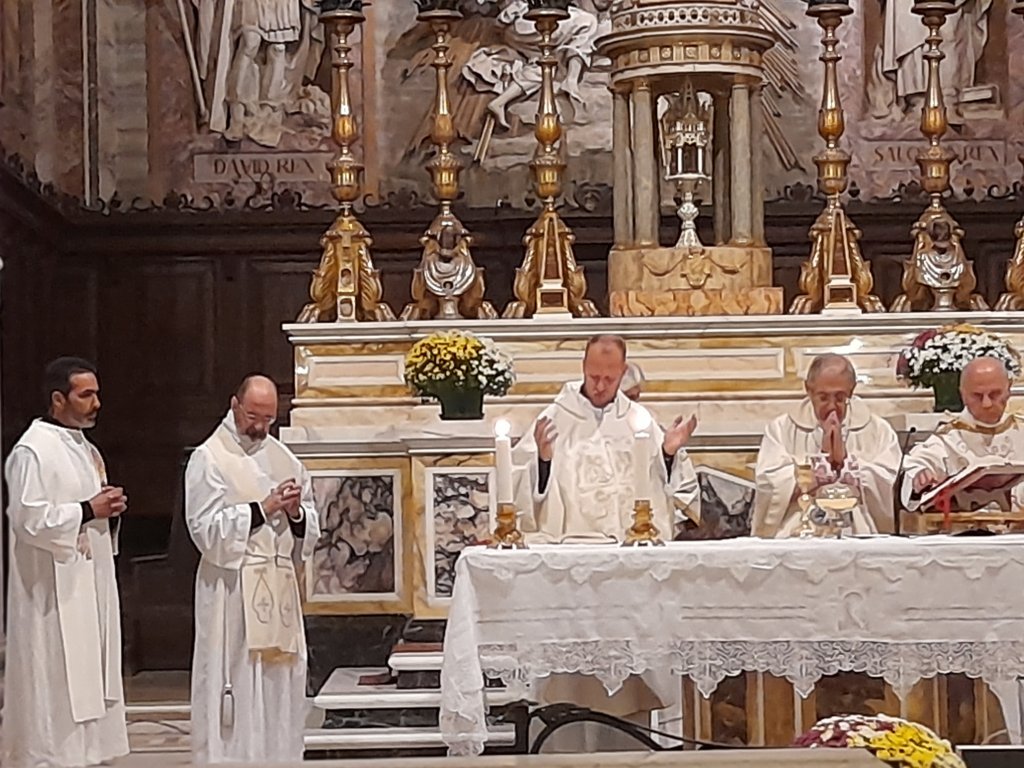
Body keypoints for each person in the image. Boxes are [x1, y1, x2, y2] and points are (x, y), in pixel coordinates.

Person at [510, 335, 699, 751]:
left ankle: (628, 755)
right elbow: (523, 489)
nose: (599, 385)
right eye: (593, 376)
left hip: (624, 571)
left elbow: (669, 492)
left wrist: (668, 454)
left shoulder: (638, 419)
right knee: (570, 680)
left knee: (625, 679)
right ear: (583, 367)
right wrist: (542, 459)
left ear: (622, 373)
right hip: (571, 569)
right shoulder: (555, 416)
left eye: (609, 378)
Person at [186, 374, 320, 763]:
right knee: (238, 678)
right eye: (253, 417)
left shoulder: (284, 458)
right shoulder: (209, 458)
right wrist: (262, 509)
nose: (261, 427)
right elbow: (205, 530)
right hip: (233, 591)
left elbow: (310, 522)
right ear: (234, 405)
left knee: (278, 683)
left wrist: (296, 513)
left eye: (268, 419)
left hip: (279, 588)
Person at [2, 357, 129, 768]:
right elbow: (28, 519)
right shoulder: (32, 451)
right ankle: (49, 756)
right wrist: (88, 510)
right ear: (58, 399)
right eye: (86, 395)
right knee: (56, 676)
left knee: (90, 670)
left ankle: (88, 754)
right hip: (51, 594)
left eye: (97, 394)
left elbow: (91, 509)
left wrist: (109, 511)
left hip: (88, 580)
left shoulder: (86, 448)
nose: (96, 403)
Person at [752, 354, 901, 537]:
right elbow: (769, 482)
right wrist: (818, 470)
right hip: (798, 531)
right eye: (823, 398)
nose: (832, 407)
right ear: (809, 389)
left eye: (840, 398)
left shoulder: (878, 430)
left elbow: (890, 480)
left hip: (859, 530)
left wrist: (847, 465)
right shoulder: (781, 429)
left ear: (852, 391)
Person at [903, 357, 1024, 512]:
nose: (986, 403)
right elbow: (918, 464)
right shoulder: (948, 438)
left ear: (1009, 389)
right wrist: (919, 475)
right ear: (963, 394)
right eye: (977, 395)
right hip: (962, 525)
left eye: (994, 394)